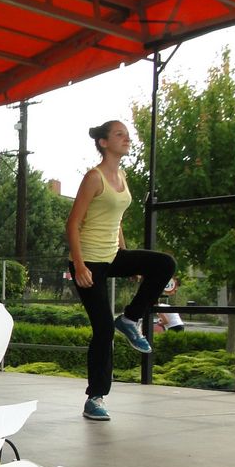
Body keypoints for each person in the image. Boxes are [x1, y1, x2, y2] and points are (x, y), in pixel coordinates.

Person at [66, 119, 175, 421]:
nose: (126, 139)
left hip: (112, 255)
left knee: (164, 264)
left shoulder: (122, 176)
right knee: (103, 330)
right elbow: (72, 223)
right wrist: (78, 265)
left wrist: (127, 257)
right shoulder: (94, 177)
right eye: (119, 135)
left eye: (127, 135)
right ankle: (95, 398)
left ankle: (129, 318)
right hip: (89, 262)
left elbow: (117, 220)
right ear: (104, 143)